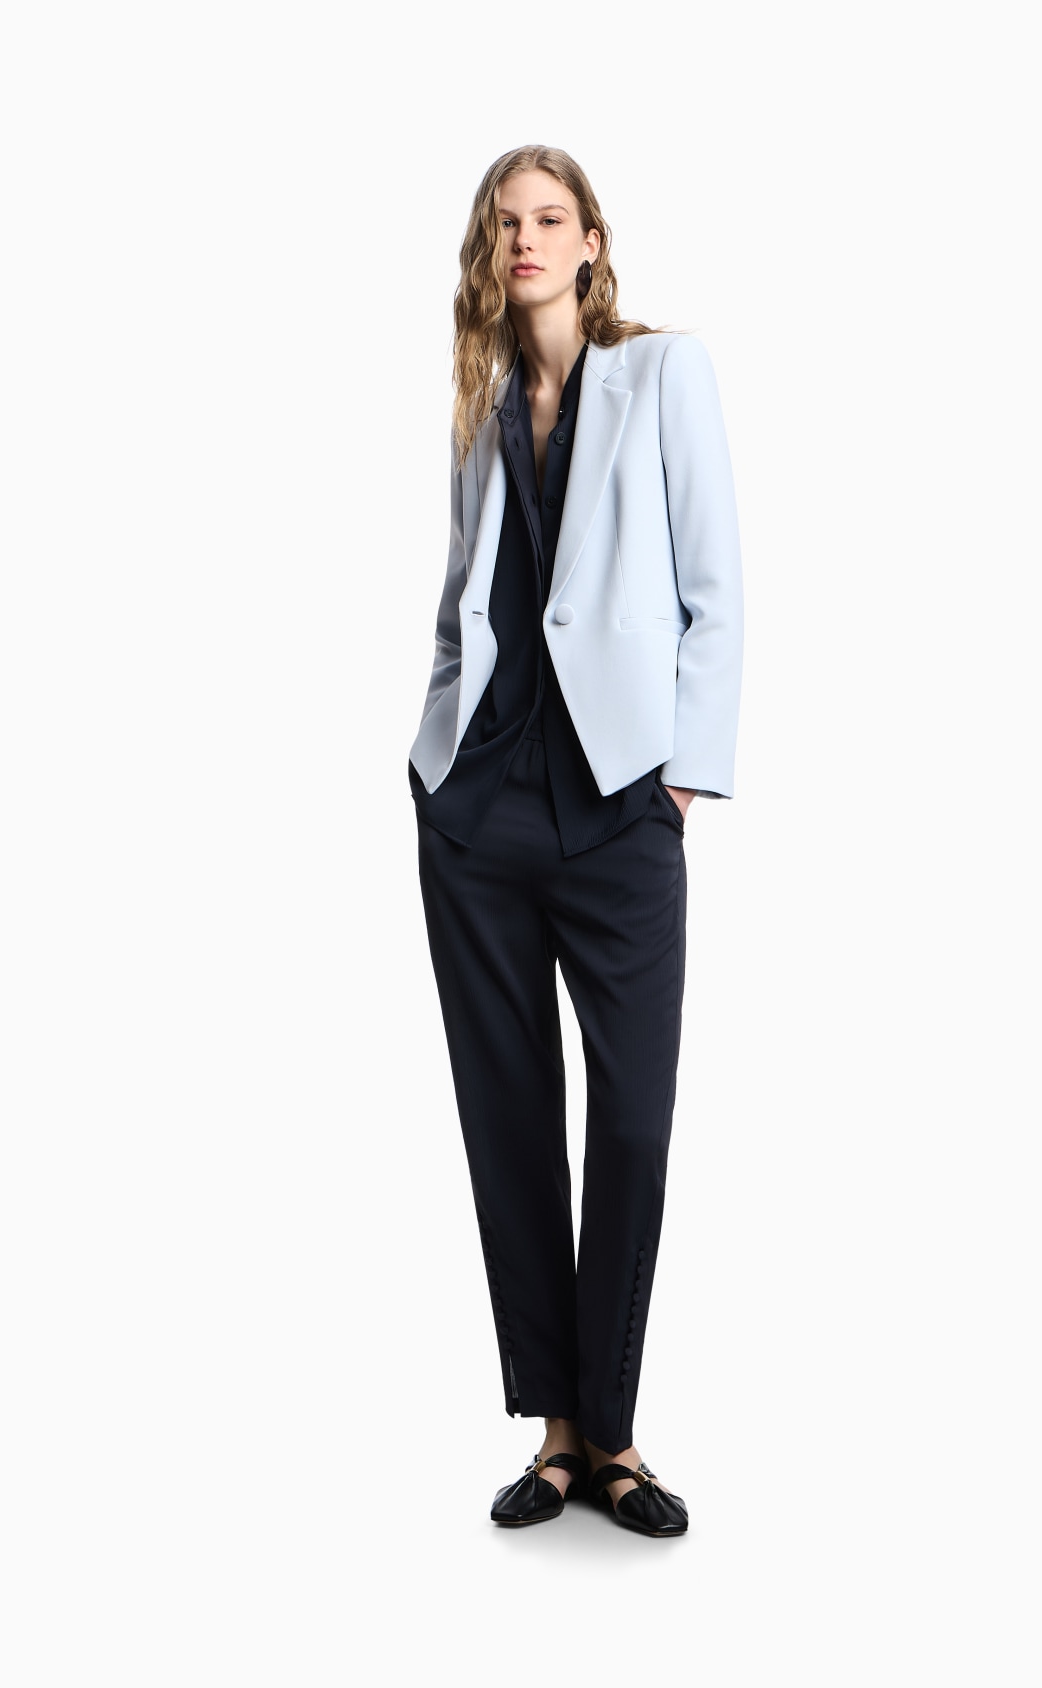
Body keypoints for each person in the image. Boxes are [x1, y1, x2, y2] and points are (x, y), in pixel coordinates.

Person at [408, 144, 743, 1536]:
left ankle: (617, 1434)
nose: (526, 242)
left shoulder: (662, 376)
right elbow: (463, 605)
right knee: (508, 1122)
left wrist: (681, 781)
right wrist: (434, 767)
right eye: (506, 224)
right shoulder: (480, 405)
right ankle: (555, 1435)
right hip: (480, 811)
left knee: (636, 1124)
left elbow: (716, 588)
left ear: (593, 241)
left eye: (549, 219)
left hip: (618, 807)